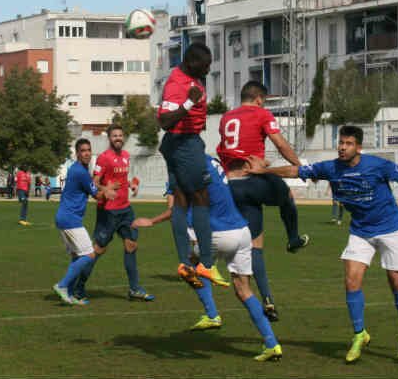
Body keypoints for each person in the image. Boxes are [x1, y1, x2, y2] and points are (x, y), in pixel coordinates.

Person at [247, 125, 398, 363]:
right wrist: (263, 172)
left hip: (390, 229)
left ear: (358, 147)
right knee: (351, 281)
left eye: (348, 143)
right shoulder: (330, 168)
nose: (342, 147)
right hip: (361, 231)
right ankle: (360, 335)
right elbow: (295, 170)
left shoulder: (377, 165)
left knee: (396, 281)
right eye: (341, 142)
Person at [133, 155, 283, 362]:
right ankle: (272, 344)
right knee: (243, 290)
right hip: (242, 232)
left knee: (186, 266)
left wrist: (151, 220)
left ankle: (210, 288)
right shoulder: (211, 160)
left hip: (220, 234)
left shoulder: (185, 167)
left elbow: (177, 209)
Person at [216, 80, 310, 321]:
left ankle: (267, 300)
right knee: (287, 195)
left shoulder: (226, 118)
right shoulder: (262, 113)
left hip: (232, 185)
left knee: (255, 244)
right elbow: (279, 143)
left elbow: (225, 150)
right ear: (259, 99)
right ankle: (293, 239)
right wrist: (299, 166)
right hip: (253, 180)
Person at [157, 42, 214, 287]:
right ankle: (207, 264)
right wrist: (189, 104)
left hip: (184, 142)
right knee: (201, 196)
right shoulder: (176, 84)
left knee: (180, 199)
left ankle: (185, 263)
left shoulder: (190, 78)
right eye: (205, 65)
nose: (208, 70)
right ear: (192, 63)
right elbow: (165, 121)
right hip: (183, 144)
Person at [84, 124, 154, 302]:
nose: (118, 138)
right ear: (109, 138)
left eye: (120, 135)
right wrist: (105, 188)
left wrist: (132, 184)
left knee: (131, 245)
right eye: (114, 136)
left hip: (125, 209)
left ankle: (134, 289)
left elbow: (123, 178)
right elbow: (94, 182)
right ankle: (78, 286)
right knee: (98, 249)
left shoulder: (126, 156)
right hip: (108, 211)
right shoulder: (103, 158)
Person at [53, 139, 118, 305]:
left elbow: (94, 188)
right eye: (83, 150)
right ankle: (62, 285)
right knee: (89, 255)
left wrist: (106, 189)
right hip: (70, 219)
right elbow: (97, 195)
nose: (87, 153)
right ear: (77, 153)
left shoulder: (79, 170)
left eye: (89, 150)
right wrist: (109, 190)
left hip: (64, 217)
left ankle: (69, 293)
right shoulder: (80, 172)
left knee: (76, 257)